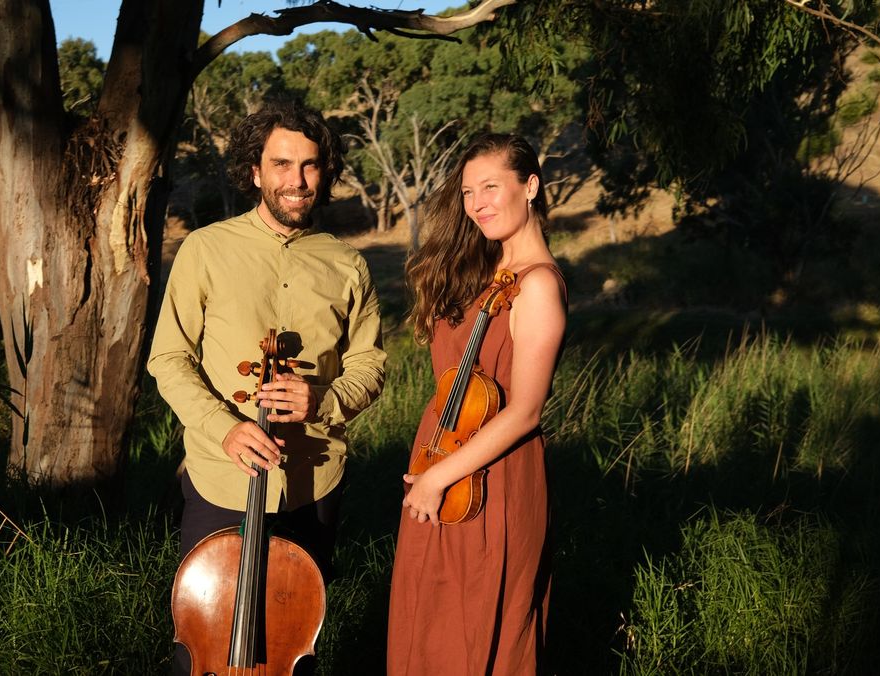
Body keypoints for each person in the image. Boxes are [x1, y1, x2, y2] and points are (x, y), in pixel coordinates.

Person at [147, 99, 386, 673]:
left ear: (325, 172)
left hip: (314, 482)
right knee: (198, 644)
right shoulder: (205, 250)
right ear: (255, 171)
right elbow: (169, 358)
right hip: (220, 479)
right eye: (281, 164)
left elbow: (370, 364)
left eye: (309, 166)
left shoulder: (347, 264)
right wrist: (226, 429)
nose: (296, 181)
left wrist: (326, 400)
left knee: (292, 642)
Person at [386, 133, 567, 675]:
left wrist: (439, 477)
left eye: (491, 186)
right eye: (468, 192)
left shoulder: (537, 287)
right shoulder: (484, 274)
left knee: (480, 623)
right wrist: (432, 472)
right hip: (443, 466)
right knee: (430, 619)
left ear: (530, 186)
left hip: (493, 480)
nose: (477, 203)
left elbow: (526, 411)